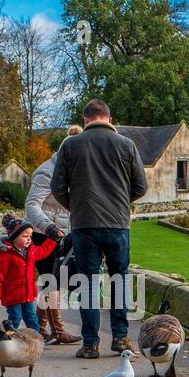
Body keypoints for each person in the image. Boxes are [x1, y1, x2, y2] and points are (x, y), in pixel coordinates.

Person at [50, 99, 148, 359]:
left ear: (85, 120)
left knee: (89, 284)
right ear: (109, 118)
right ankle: (119, 337)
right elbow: (141, 186)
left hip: (84, 225)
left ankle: (91, 343)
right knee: (120, 280)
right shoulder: (126, 145)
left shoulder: (71, 145)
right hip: (117, 224)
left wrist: (77, 206)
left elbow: (57, 187)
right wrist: (120, 202)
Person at [24, 124, 82, 344]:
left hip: (64, 235)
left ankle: (40, 329)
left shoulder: (75, 169)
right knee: (53, 282)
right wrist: (49, 227)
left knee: (53, 282)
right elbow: (32, 205)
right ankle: (56, 332)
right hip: (42, 233)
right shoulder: (46, 171)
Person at [0, 212, 55, 331]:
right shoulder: (5, 254)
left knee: (31, 318)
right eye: (25, 236)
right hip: (12, 294)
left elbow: (44, 251)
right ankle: (6, 336)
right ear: (14, 237)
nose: (29, 239)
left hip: (28, 293)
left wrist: (53, 239)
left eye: (30, 236)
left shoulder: (31, 251)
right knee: (15, 317)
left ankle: (36, 339)